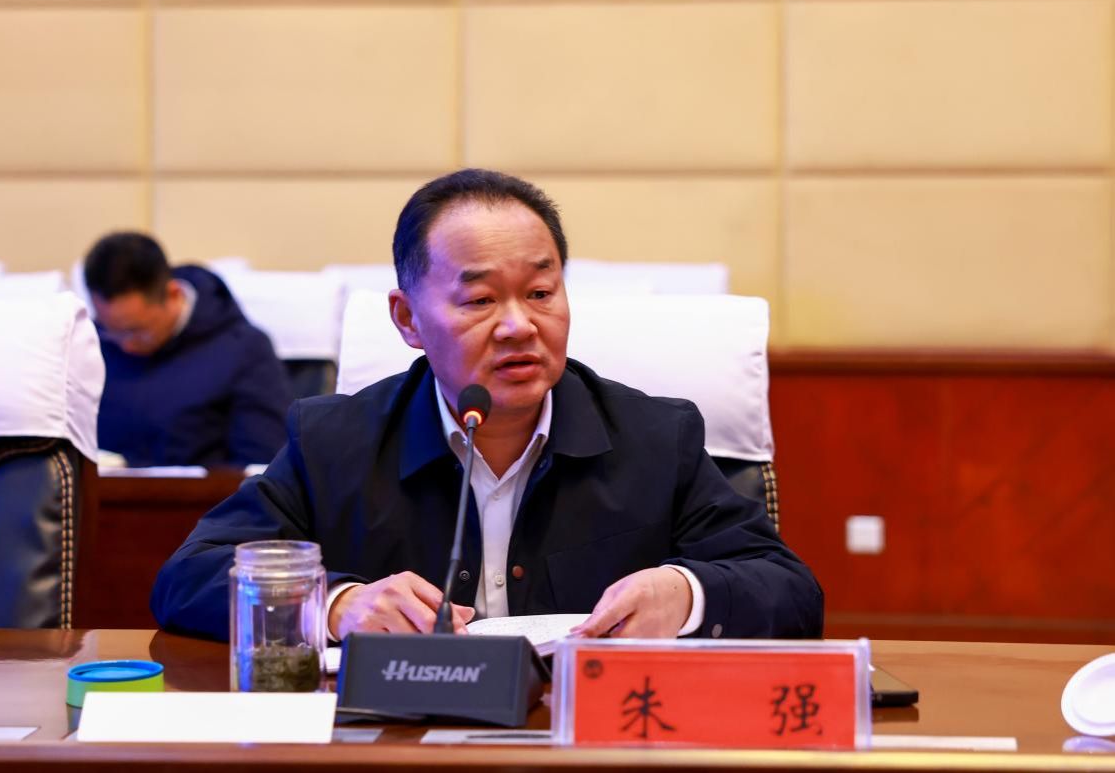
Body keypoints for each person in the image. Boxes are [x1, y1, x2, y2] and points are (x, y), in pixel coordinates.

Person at [151, 170, 822, 641]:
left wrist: (686, 593)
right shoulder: (333, 441)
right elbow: (187, 576)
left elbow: (789, 588)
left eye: (541, 293)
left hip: (584, 749)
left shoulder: (655, 438)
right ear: (408, 319)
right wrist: (337, 604)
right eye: (478, 300)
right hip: (402, 750)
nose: (519, 326)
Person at [84, 232, 294, 467]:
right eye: (109, 330)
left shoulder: (244, 350)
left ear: (173, 295)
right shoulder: (91, 345)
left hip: (202, 489)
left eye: (137, 331)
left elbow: (262, 464)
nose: (126, 345)